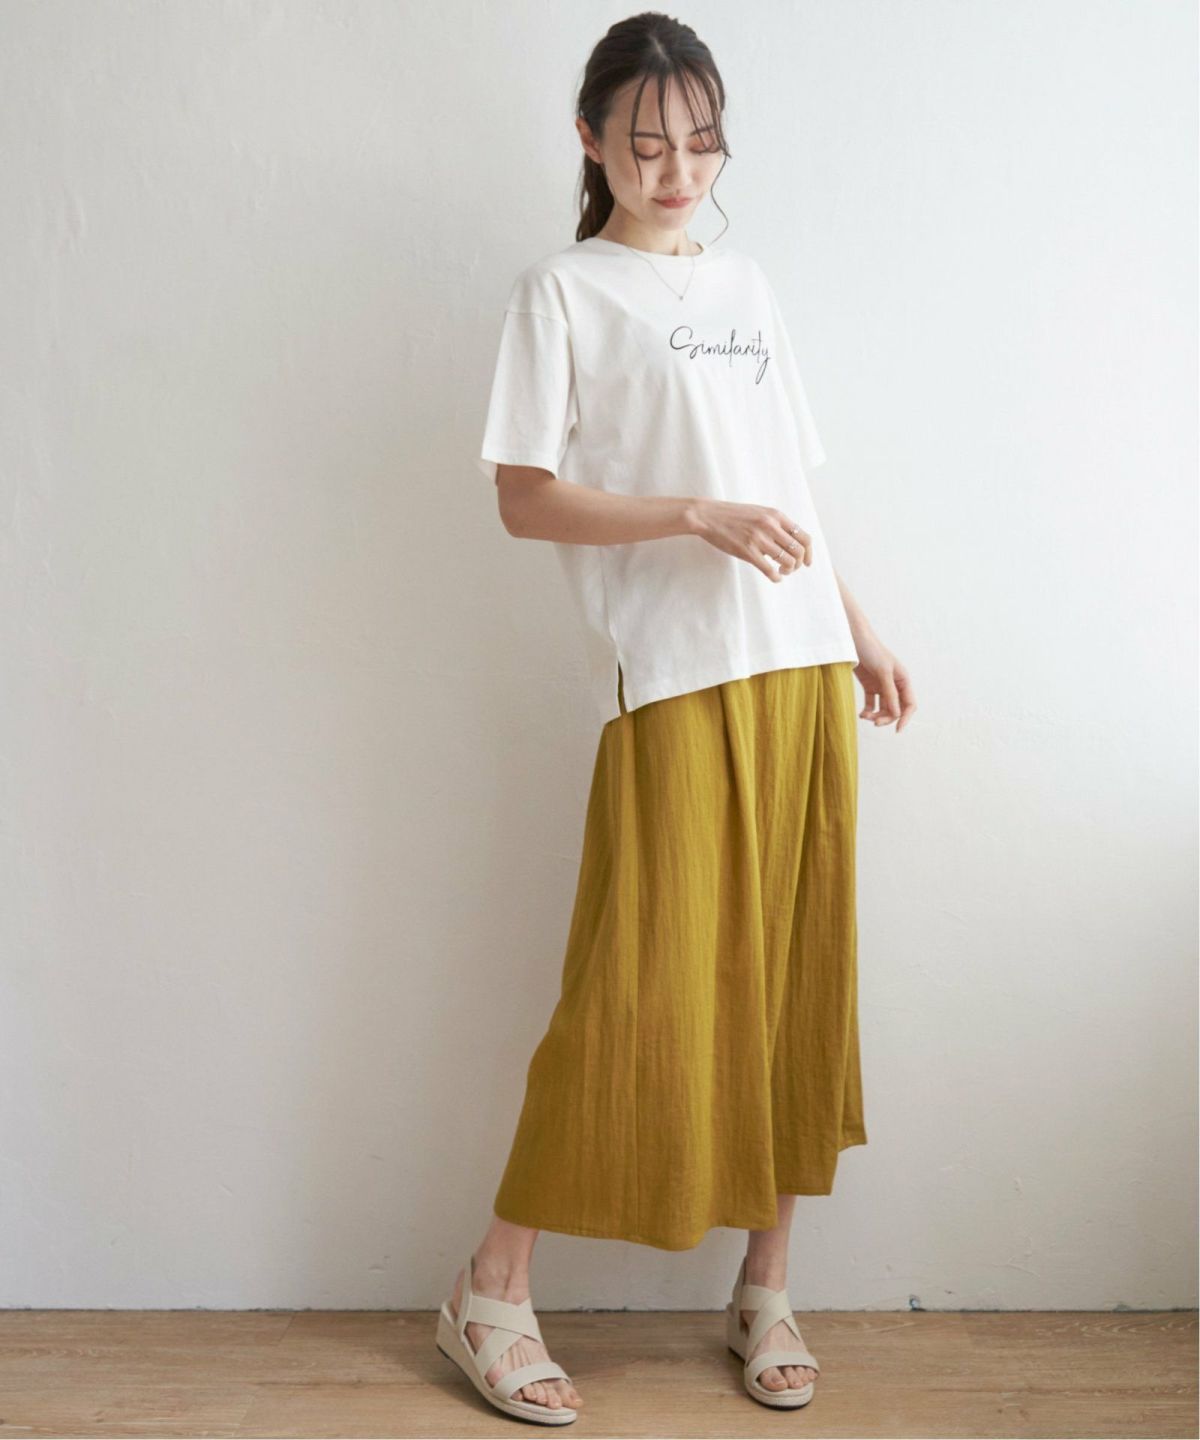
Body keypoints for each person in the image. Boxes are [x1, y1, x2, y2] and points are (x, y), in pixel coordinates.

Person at [436, 12, 916, 1426]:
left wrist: (858, 629)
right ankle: (490, 1288)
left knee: (792, 978)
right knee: (631, 984)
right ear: (590, 140)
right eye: (647, 142)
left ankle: (767, 1285)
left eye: (702, 142)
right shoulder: (561, 291)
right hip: (675, 676)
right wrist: (691, 516)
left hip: (800, 666)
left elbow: (790, 491)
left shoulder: (749, 287)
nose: (678, 169)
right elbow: (523, 498)